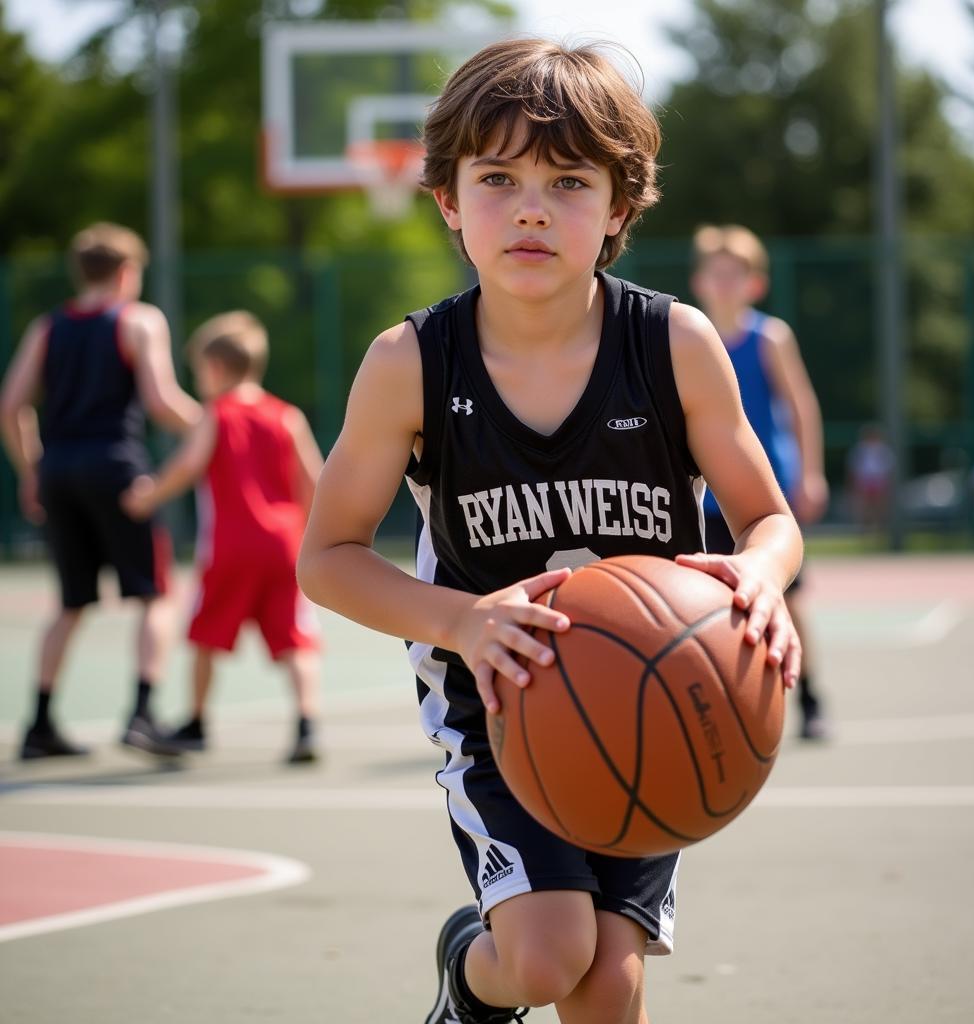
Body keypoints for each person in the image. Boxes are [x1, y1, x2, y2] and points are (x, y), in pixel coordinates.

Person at [297, 38, 804, 1024]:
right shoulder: (411, 362)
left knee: (605, 991)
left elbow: (769, 517)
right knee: (542, 958)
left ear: (617, 207)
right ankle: (469, 979)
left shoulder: (674, 344)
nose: (531, 205)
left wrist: (759, 576)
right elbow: (327, 557)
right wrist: (464, 622)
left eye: (568, 180)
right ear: (447, 199)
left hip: (652, 697)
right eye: (497, 177)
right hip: (492, 701)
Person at [0, 222, 202, 760]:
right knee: (155, 595)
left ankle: (39, 723)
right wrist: (212, 426)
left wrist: (31, 471)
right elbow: (161, 401)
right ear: (128, 272)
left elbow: (11, 404)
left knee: (70, 603)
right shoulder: (136, 320)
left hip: (59, 470)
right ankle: (141, 714)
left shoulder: (48, 328)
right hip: (115, 468)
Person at [121, 311, 324, 764]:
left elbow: (189, 465)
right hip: (284, 544)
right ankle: (306, 724)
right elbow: (313, 478)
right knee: (295, 638)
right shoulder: (286, 416)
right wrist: (311, 529)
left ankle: (195, 722)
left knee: (206, 636)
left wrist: (150, 494)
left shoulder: (216, 414)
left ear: (214, 368)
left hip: (230, 547)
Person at [689, 224, 830, 742]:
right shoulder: (689, 335)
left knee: (785, 599)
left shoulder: (769, 336)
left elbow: (800, 405)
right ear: (700, 281)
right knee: (701, 604)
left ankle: (811, 698)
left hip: (764, 497)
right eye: (716, 272)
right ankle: (714, 705)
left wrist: (810, 473)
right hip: (707, 498)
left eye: (735, 273)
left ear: (755, 283)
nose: (724, 282)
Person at [846, 423, 894, 535]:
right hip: (865, 480)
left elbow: (889, 469)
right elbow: (853, 468)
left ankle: (879, 528)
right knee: (865, 506)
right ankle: (865, 529)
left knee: (879, 506)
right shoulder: (860, 449)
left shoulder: (883, 449)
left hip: (879, 480)